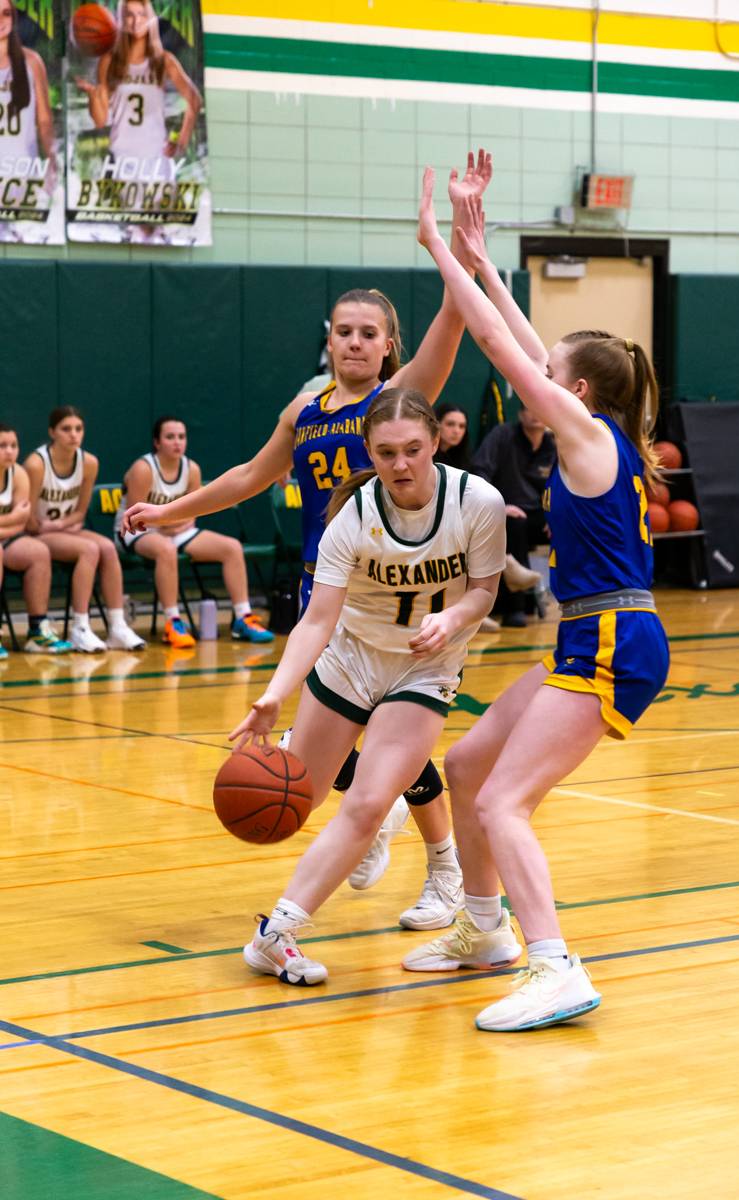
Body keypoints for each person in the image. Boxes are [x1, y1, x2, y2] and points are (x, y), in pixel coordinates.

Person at [123, 151, 493, 929]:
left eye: (369, 334)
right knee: (361, 730)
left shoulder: (402, 402)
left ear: (389, 346)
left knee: (394, 727)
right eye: (343, 332)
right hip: (330, 590)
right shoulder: (307, 409)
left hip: (406, 594)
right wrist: (168, 510)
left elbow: (455, 321)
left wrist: (459, 244)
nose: (355, 343)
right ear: (328, 340)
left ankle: (432, 859)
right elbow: (248, 478)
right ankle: (396, 834)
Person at [407, 170, 670, 1032]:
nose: (538, 375)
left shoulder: (585, 435)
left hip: (612, 638)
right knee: (472, 764)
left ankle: (554, 965)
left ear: (575, 393)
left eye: (553, 375)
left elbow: (500, 346)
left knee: (500, 803)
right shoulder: (600, 431)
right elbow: (523, 339)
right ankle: (486, 934)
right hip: (591, 634)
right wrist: (482, 259)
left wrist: (444, 251)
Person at [227, 389, 506, 985]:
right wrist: (275, 694)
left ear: (435, 442)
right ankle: (379, 843)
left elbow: (484, 591)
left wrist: (451, 620)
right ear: (369, 453)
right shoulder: (351, 517)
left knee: (369, 801)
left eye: (412, 449)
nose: (401, 464)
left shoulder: (477, 501)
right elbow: (318, 620)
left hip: (425, 667)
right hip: (351, 659)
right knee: (293, 801)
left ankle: (275, 934)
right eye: (386, 453)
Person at [115, 416, 274, 649]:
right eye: (170, 437)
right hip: (136, 531)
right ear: (157, 443)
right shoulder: (143, 469)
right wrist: (169, 523)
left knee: (231, 548)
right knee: (166, 549)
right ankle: (173, 622)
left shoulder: (192, 469)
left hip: (177, 528)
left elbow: (193, 512)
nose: (177, 442)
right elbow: (136, 516)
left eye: (181, 437)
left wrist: (171, 523)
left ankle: (243, 617)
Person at [23, 407, 144, 653]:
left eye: (78, 429)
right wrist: (57, 528)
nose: (74, 435)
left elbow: (80, 513)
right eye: (66, 429)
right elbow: (29, 520)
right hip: (35, 533)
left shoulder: (89, 462)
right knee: (89, 549)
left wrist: (59, 526)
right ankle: (79, 627)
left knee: (108, 548)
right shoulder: (36, 464)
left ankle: (117, 627)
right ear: (52, 432)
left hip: (62, 528)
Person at [76, 0, 201, 178]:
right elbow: (100, 121)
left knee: (162, 206)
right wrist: (93, 96)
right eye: (130, 15)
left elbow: (194, 101)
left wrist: (181, 141)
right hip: (122, 159)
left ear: (151, 18)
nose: (136, 21)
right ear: (122, 20)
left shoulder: (164, 60)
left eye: (142, 14)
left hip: (156, 158)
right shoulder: (109, 60)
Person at [471, 407, 556, 626]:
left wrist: (555, 514)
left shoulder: (554, 445)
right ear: (519, 414)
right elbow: (480, 471)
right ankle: (515, 608)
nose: (536, 413)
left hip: (540, 514)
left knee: (571, 527)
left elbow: (563, 485)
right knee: (515, 525)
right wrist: (499, 506)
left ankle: (577, 600)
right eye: (528, 408)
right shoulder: (502, 435)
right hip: (506, 511)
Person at [0, 423, 71, 656]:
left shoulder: (18, 474)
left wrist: (13, 521)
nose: (9, 451)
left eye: (13, 445)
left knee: (38, 551)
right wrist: (12, 516)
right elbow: (17, 518)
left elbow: (22, 523)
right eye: (2, 446)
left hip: (8, 537)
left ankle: (37, 632)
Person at [0, 0, 56, 194]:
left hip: (24, 175)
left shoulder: (32, 62)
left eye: (6, 13)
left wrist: (51, 160)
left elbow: (44, 120)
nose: (1, 20)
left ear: (14, 18)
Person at [434, 403, 470, 469]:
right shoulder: (427, 455)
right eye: (450, 424)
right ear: (437, 425)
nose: (456, 431)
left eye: (462, 426)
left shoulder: (464, 459)